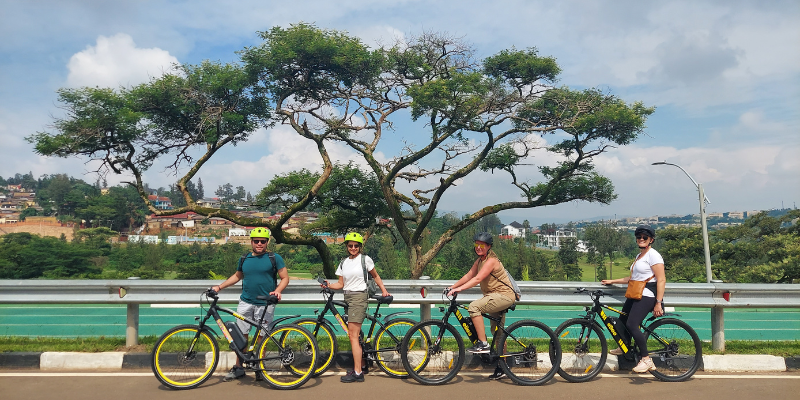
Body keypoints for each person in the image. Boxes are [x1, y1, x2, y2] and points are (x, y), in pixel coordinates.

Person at [212, 227, 289, 382]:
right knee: (241, 336)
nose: (259, 244)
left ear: (267, 242)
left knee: (263, 337)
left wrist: (278, 290)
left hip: (265, 303)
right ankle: (239, 368)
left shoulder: (274, 257)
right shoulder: (244, 258)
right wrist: (219, 287)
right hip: (245, 302)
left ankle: (260, 368)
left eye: (263, 241)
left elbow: (285, 278)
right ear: (251, 242)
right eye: (256, 241)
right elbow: (237, 276)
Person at [321, 232, 390, 383]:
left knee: (352, 336)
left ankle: (357, 372)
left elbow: (376, 276)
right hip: (348, 297)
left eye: (356, 246)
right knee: (355, 336)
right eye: (350, 245)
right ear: (346, 246)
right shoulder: (343, 262)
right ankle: (363, 365)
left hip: (359, 297)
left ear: (360, 247)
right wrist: (328, 285)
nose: (353, 248)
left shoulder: (365, 260)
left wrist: (384, 290)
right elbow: (341, 284)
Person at [447, 232, 516, 380]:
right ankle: (502, 367)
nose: (478, 247)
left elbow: (478, 278)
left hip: (503, 296)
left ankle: (482, 343)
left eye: (482, 245)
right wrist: (452, 286)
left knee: (474, 307)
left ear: (489, 246)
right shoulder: (479, 261)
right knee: (498, 334)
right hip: (493, 296)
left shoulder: (491, 260)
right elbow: (469, 275)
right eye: (476, 244)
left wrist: (459, 289)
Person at [601, 224, 666, 373]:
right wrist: (613, 281)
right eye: (639, 237)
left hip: (647, 296)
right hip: (635, 293)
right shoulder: (640, 256)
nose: (641, 239)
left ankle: (646, 359)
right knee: (622, 321)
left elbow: (661, 279)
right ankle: (624, 346)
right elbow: (633, 278)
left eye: (645, 237)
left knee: (632, 324)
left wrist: (658, 303)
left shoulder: (653, 255)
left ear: (651, 240)